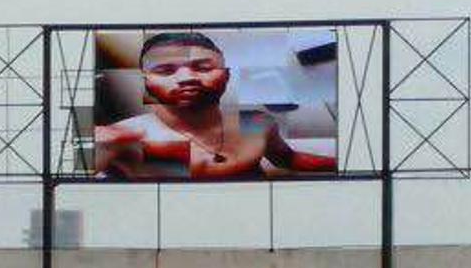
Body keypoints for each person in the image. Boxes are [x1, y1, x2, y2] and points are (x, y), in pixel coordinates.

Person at [95, 31, 339, 181]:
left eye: (203, 67)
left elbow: (288, 159)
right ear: (145, 82)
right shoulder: (122, 138)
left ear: (226, 76)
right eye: (166, 70)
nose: (186, 77)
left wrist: (350, 164)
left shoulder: (255, 124)